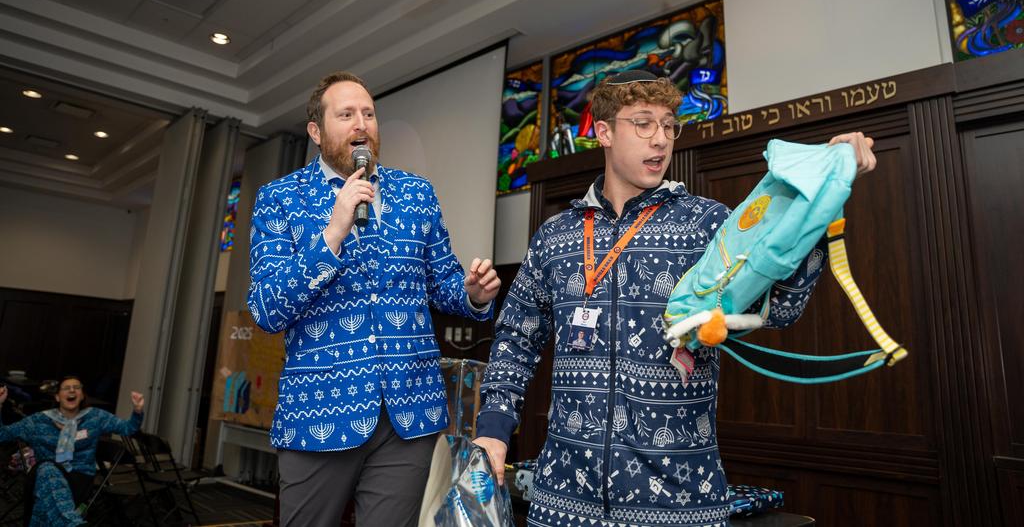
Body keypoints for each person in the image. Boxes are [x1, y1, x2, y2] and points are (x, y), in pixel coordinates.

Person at [473, 70, 877, 527]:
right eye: (643, 123)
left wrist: (820, 202)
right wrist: (494, 430)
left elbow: (780, 307)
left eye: (668, 125)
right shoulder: (555, 235)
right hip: (563, 502)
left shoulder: (707, 225)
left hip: (679, 503)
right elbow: (517, 337)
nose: (661, 139)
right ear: (604, 132)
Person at [247, 72, 501, 527]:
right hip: (319, 412)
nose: (361, 123)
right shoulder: (280, 199)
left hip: (411, 412)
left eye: (368, 113)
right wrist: (332, 233)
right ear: (316, 131)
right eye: (346, 114)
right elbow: (267, 309)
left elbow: (443, 283)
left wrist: (473, 295)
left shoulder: (416, 193)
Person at [0, 376, 144, 526]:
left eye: (76, 387)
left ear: (82, 396)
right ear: (57, 396)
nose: (72, 390)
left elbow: (129, 429)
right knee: (48, 469)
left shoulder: (95, 417)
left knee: (44, 502)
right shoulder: (38, 421)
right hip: (45, 475)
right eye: (66, 388)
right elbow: (2, 435)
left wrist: (137, 411)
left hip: (79, 480)